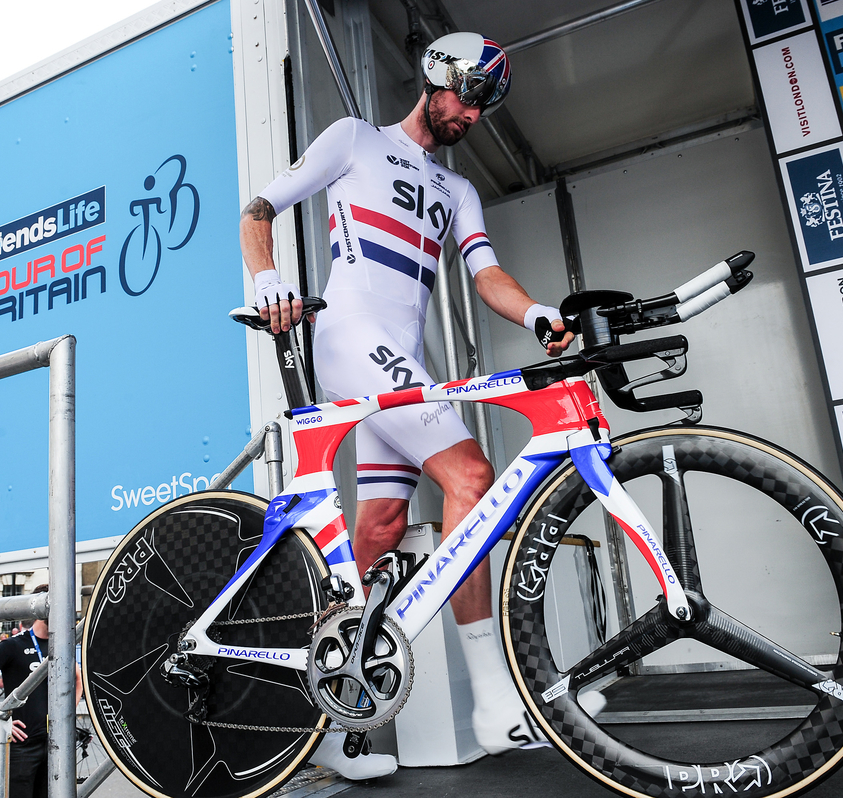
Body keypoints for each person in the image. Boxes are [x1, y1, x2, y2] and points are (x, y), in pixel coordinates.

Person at [239, 32, 588, 774]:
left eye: (487, 105)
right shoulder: (355, 140)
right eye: (469, 95)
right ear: (436, 78)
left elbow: (488, 276)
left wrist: (534, 315)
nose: (474, 114)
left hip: (402, 360)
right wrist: (266, 277)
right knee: (470, 474)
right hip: (349, 338)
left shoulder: (459, 190)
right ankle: (495, 700)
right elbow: (260, 207)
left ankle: (324, 726)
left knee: (381, 527)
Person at [0, 585, 83, 798]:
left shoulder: (62, 645)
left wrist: (68, 714)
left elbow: (78, 678)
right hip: (22, 746)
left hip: (55, 742)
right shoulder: (12, 645)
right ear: (40, 608)